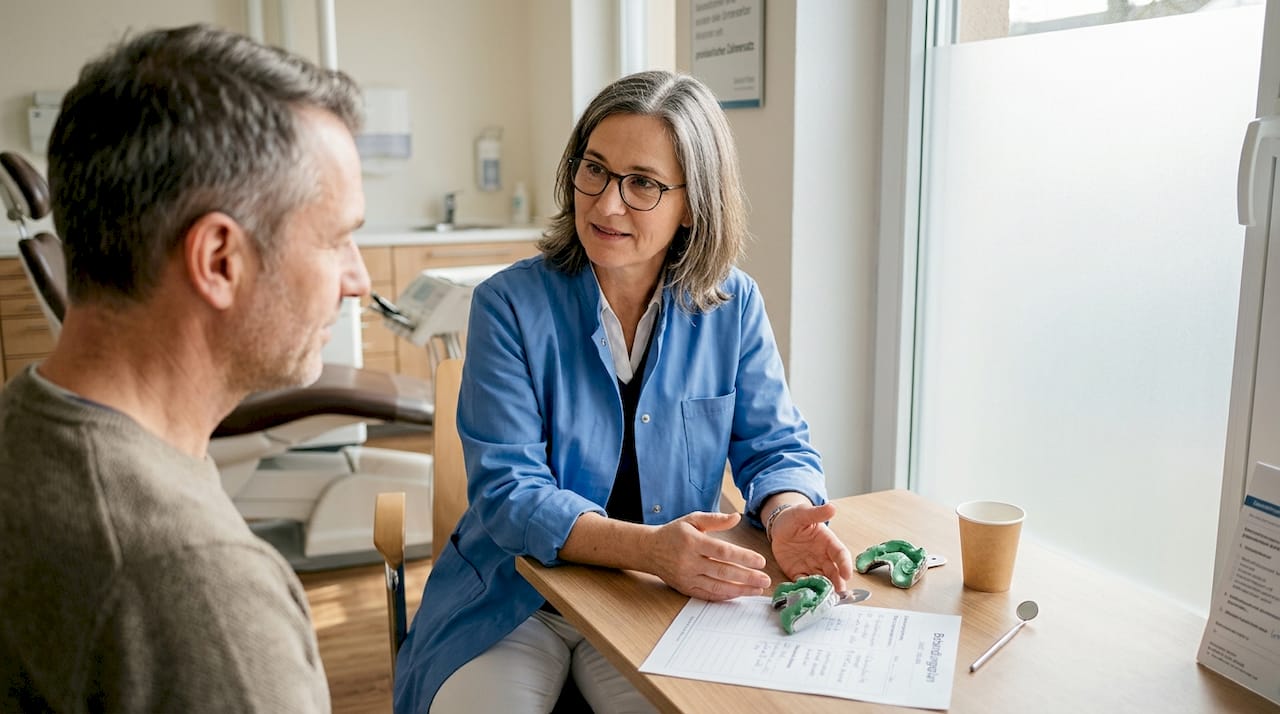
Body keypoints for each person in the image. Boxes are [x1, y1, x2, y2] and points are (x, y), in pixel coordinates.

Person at [394, 70, 853, 714]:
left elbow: (775, 445)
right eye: (595, 170)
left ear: (693, 204)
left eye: (642, 183)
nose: (607, 204)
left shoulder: (733, 304)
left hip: (655, 601)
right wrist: (652, 551)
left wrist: (784, 514)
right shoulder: (508, 306)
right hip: (515, 599)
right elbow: (509, 493)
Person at [0, 24, 370, 712]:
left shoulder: (22, 422)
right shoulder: (201, 592)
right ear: (220, 260)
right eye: (338, 240)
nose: (358, 280)